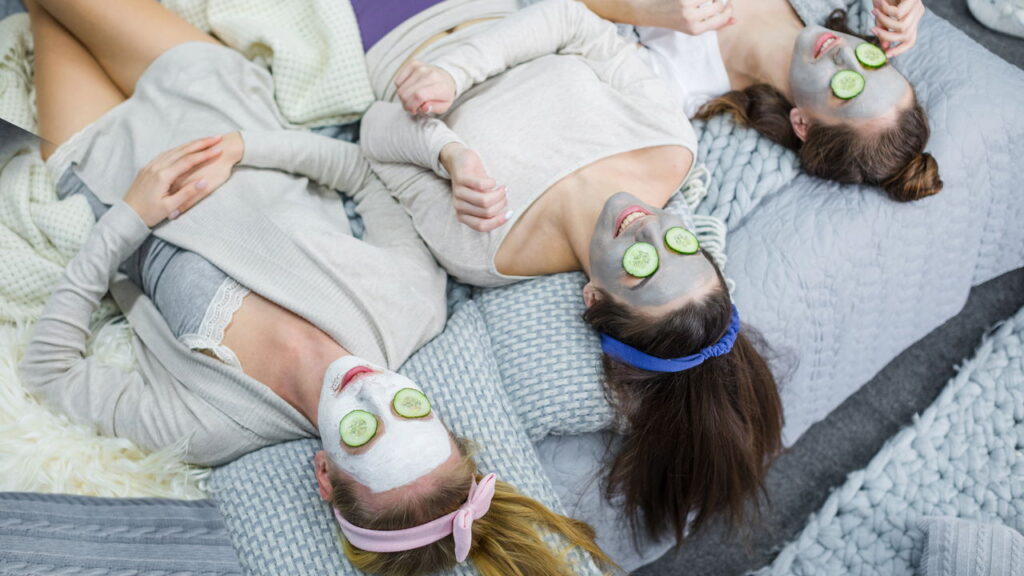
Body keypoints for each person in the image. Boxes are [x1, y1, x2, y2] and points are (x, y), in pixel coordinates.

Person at [16, 1, 612, 574]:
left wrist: (129, 216)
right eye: (409, 409)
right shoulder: (408, 307)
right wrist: (244, 147)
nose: (369, 393)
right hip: (210, 102)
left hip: (98, 160)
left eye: (363, 432)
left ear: (325, 474)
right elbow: (362, 175)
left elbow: (49, 369)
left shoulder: (207, 426)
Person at [354, 0, 784, 545]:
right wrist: (456, 74)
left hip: (388, 34)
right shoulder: (669, 146)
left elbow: (376, 134)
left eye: (643, 266)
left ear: (593, 299)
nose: (649, 231)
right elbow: (573, 20)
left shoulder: (487, 248)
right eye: (681, 244)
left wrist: (449, 154)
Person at [583, 0, 942, 201]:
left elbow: (564, 17)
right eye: (873, 63)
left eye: (845, 87)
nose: (845, 55)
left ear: (802, 124)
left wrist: (643, 9)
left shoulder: (676, 81)